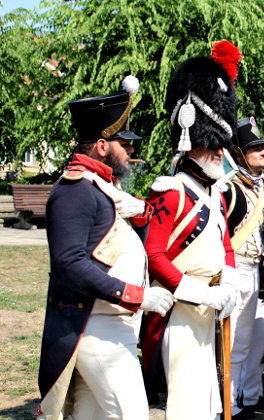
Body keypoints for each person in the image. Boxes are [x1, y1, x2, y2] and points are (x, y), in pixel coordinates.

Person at [37, 76, 174, 420]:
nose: (131, 151)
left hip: (112, 323)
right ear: (102, 146)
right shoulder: (76, 189)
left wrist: (140, 213)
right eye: (124, 144)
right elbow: (69, 264)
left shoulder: (101, 187)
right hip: (96, 325)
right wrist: (136, 296)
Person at [141, 45, 244, 419]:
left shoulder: (214, 192)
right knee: (185, 406)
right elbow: (154, 256)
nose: (220, 153)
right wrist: (203, 293)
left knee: (207, 404)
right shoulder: (171, 191)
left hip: (208, 309)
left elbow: (225, 244)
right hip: (178, 311)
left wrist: (228, 283)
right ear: (193, 142)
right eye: (212, 145)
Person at [223, 116, 264, 418]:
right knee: (231, 341)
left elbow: (260, 234)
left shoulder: (259, 190)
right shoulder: (229, 188)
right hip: (233, 268)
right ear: (239, 154)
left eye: (263, 148)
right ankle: (227, 404)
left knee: (245, 343)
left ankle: (240, 400)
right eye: (256, 149)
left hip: (254, 270)